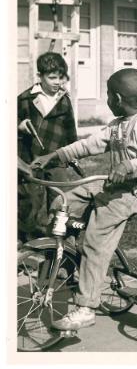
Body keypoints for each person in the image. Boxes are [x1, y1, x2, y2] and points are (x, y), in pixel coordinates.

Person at [31, 68, 137, 330]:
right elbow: (87, 145)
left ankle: (86, 306)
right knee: (61, 204)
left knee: (94, 241)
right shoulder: (116, 126)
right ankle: (65, 260)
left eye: (107, 96)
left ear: (116, 97)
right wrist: (55, 156)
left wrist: (127, 167)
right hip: (109, 185)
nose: (107, 101)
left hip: (130, 193)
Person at [18, 51, 77, 242]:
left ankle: (57, 240)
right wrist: (19, 125)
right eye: (52, 77)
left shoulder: (64, 99)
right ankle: (25, 239)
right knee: (30, 200)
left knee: (59, 199)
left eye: (61, 77)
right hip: (31, 157)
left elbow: (70, 128)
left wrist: (72, 151)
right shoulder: (26, 98)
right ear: (40, 76)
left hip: (56, 158)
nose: (57, 82)